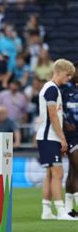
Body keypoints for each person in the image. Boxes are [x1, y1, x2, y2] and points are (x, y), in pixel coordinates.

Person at [36, 59, 76, 221]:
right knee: (58, 173)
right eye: (67, 75)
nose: (68, 79)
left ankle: (46, 209)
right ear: (59, 72)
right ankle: (61, 211)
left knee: (50, 174)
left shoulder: (50, 88)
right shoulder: (52, 89)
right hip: (49, 136)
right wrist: (62, 139)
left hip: (46, 136)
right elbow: (53, 114)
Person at [61, 62, 78, 217]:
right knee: (76, 169)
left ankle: (68, 209)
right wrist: (65, 124)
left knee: (73, 171)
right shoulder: (65, 89)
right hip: (71, 135)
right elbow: (57, 110)